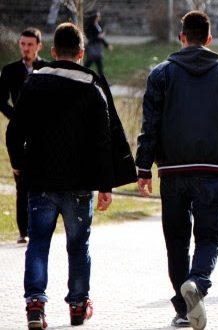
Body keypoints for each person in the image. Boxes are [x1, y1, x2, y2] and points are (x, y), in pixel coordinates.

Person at [6, 22, 136, 329]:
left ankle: (35, 304)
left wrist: (19, 164)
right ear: (80, 53)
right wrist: (106, 185)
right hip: (80, 184)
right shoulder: (92, 89)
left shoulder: (34, 84)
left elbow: (14, 132)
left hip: (40, 181)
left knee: (38, 242)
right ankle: (78, 305)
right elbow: (103, 142)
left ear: (51, 52)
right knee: (78, 246)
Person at [136, 11, 218, 330]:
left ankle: (183, 308)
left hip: (172, 170)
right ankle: (198, 282)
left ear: (181, 37)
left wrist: (144, 167)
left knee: (176, 241)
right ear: (209, 39)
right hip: (214, 170)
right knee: (210, 236)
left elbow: (151, 124)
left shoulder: (161, 74)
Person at [0, 27, 48, 244]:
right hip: (19, 135)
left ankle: (42, 226)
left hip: (44, 134)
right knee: (22, 182)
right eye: (23, 44)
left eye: (30, 45)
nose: (26, 48)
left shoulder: (48, 69)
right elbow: (1, 100)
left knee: (43, 182)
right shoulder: (9, 71)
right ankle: (23, 230)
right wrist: (16, 117)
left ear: (39, 46)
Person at [84, 11, 111, 77]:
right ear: (95, 17)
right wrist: (98, 37)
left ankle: (102, 81)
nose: (99, 17)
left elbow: (100, 37)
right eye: (98, 16)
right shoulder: (90, 26)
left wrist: (106, 45)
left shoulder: (98, 25)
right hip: (93, 47)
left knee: (98, 65)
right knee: (89, 63)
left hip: (98, 47)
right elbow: (90, 38)